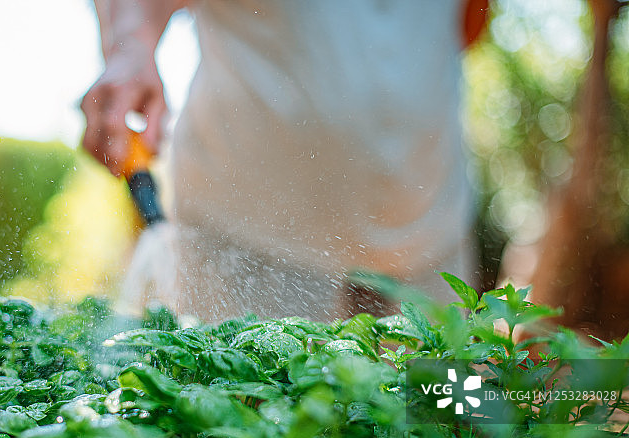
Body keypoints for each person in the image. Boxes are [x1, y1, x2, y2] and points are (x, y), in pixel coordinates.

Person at [81, 0, 487, 322]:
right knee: (237, 417)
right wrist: (130, 46)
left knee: (445, 417)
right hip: (249, 240)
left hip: (431, 236)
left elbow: (468, 24)